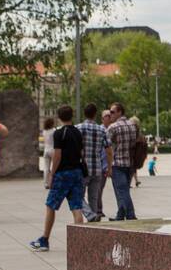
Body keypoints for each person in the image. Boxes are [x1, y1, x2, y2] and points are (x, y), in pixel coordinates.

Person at [30, 105, 85, 251]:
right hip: (77, 172)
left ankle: (45, 239)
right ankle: (80, 243)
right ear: (71, 116)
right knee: (76, 207)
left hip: (63, 173)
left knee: (50, 205)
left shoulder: (59, 133)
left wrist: (52, 174)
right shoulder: (78, 132)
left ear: (59, 117)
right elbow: (81, 153)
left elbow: (58, 155)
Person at [76, 104, 112, 223]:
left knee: (77, 195)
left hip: (82, 168)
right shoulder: (102, 130)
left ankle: (90, 215)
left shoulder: (79, 128)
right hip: (97, 168)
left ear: (84, 114)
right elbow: (108, 151)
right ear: (95, 114)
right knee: (94, 198)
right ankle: (94, 224)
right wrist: (109, 167)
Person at [106, 102, 138, 221]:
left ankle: (131, 215)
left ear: (120, 112)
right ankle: (120, 215)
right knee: (124, 190)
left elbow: (106, 146)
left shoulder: (113, 127)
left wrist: (107, 165)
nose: (110, 114)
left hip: (117, 164)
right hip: (130, 164)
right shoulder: (133, 125)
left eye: (113, 112)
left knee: (122, 191)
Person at [41, 117, 56, 189]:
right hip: (53, 150)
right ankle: (53, 182)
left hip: (46, 150)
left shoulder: (44, 131)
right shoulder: (54, 131)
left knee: (46, 168)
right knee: (54, 167)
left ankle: (46, 183)